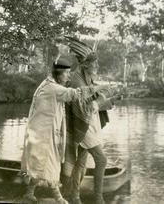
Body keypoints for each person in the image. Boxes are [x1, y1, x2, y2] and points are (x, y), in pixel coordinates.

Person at [21, 55, 110, 204]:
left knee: (41, 165)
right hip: (44, 136)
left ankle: (29, 193)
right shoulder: (52, 89)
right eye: (66, 73)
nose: (69, 77)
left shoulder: (47, 84)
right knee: (51, 166)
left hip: (40, 133)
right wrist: (100, 88)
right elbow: (75, 94)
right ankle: (60, 199)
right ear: (58, 73)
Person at [62, 37, 118, 204]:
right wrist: (103, 100)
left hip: (88, 123)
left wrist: (109, 99)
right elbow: (83, 105)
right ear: (86, 64)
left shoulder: (86, 78)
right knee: (101, 160)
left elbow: (94, 101)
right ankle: (98, 198)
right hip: (81, 124)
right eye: (95, 64)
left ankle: (74, 197)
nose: (97, 66)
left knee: (81, 161)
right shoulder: (75, 79)